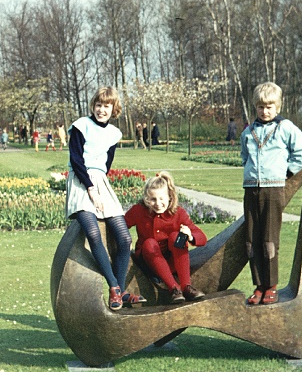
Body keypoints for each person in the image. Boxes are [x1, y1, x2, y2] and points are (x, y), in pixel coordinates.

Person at [66, 86, 143, 310]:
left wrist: (99, 187)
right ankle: (115, 288)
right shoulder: (81, 126)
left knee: (124, 239)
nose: (101, 110)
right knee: (92, 232)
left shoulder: (113, 134)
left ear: (113, 108)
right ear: (93, 106)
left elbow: (107, 164)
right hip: (81, 182)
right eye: (98, 105)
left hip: (100, 182)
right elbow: (76, 159)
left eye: (106, 106)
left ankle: (119, 291)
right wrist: (90, 188)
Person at [240, 82, 302, 306]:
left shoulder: (286, 128)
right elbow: (244, 157)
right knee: (251, 240)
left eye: (269, 106)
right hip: (251, 189)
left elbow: (301, 154)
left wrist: (286, 172)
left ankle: (271, 286)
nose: (265, 111)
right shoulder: (248, 132)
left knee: (269, 240)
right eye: (260, 107)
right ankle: (258, 285)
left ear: (278, 106)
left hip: (273, 189)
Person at [125, 171, 207, 304]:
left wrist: (190, 236)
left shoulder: (178, 213)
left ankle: (186, 286)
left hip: (171, 261)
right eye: (153, 199)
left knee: (177, 237)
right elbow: (121, 225)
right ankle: (174, 289)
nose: (158, 203)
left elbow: (202, 237)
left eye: (162, 198)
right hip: (149, 262)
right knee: (149, 243)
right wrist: (124, 241)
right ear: (146, 198)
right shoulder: (139, 211)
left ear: (170, 197)